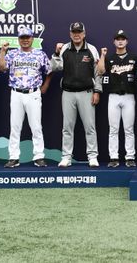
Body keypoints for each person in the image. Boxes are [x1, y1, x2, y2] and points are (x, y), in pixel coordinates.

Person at [0, 26, 52, 168]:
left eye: (27, 37)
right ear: (19, 39)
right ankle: (14, 157)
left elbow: (49, 70)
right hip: (16, 93)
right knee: (15, 127)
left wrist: (45, 86)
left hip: (33, 93)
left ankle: (39, 156)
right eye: (22, 37)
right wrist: (2, 51)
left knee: (36, 127)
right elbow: (1, 68)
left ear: (32, 38)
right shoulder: (12, 54)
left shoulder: (40, 54)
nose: (25, 40)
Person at [50, 22, 102, 168]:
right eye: (74, 32)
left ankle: (92, 156)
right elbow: (54, 67)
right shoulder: (64, 48)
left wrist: (97, 91)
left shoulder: (92, 49)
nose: (77, 35)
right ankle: (66, 157)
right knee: (67, 127)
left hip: (87, 92)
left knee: (90, 127)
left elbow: (98, 72)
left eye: (79, 32)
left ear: (84, 34)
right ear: (70, 34)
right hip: (68, 93)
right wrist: (56, 53)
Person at [97, 30, 137, 168]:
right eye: (118, 39)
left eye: (122, 39)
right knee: (113, 129)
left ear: (126, 41)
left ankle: (130, 157)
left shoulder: (134, 57)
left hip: (129, 96)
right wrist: (103, 55)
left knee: (129, 129)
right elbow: (100, 71)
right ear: (114, 42)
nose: (120, 41)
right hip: (113, 96)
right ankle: (113, 157)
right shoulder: (109, 58)